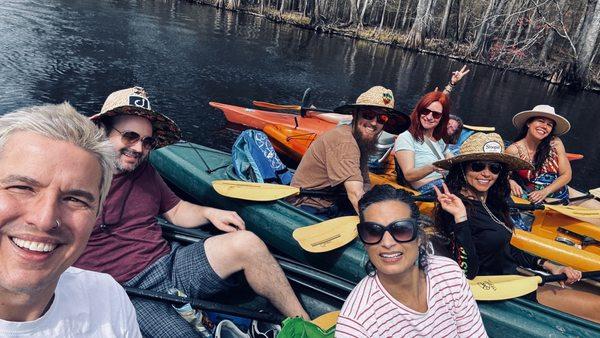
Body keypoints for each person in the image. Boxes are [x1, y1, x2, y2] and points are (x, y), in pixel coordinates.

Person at [74, 87, 309, 336]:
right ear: (103, 131)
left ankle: (305, 325)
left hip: (169, 265)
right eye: (130, 136)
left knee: (247, 243)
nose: (138, 148)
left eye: (147, 141)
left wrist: (209, 212)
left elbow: (175, 210)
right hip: (127, 293)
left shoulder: (144, 170)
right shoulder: (76, 180)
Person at [0, 103, 141, 337]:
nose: (45, 219)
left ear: (96, 215)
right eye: (22, 187)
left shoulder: (107, 298)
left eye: (75, 199)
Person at [433, 132, 600, 323]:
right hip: (495, 292)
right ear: (463, 169)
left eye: (494, 168)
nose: (486, 173)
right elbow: (466, 272)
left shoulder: (492, 202)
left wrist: (548, 265)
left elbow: (505, 248)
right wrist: (460, 219)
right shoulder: (457, 209)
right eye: (478, 166)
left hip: (513, 278)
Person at [336, 185, 487, 337]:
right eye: (373, 232)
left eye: (401, 229)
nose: (387, 243)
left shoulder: (449, 274)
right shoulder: (357, 323)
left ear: (419, 236)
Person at [289, 86, 410, 218]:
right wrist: (379, 226)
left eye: (382, 118)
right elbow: (356, 194)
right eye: (368, 115)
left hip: (333, 203)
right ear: (355, 114)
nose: (374, 123)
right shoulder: (344, 141)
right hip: (308, 205)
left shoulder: (361, 141)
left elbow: (365, 185)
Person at [506, 105, 572, 204]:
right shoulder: (513, 150)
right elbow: (501, 173)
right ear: (529, 123)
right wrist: (510, 182)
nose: (544, 127)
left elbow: (566, 174)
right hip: (530, 198)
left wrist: (545, 191)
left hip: (559, 195)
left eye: (549, 124)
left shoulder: (556, 143)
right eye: (541, 121)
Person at [394, 91, 452, 195]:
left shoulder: (439, 141)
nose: (429, 117)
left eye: (436, 114)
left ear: (442, 118)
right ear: (419, 111)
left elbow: (452, 160)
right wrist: (434, 167)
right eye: (425, 111)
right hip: (427, 189)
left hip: (444, 183)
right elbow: (408, 175)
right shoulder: (406, 137)